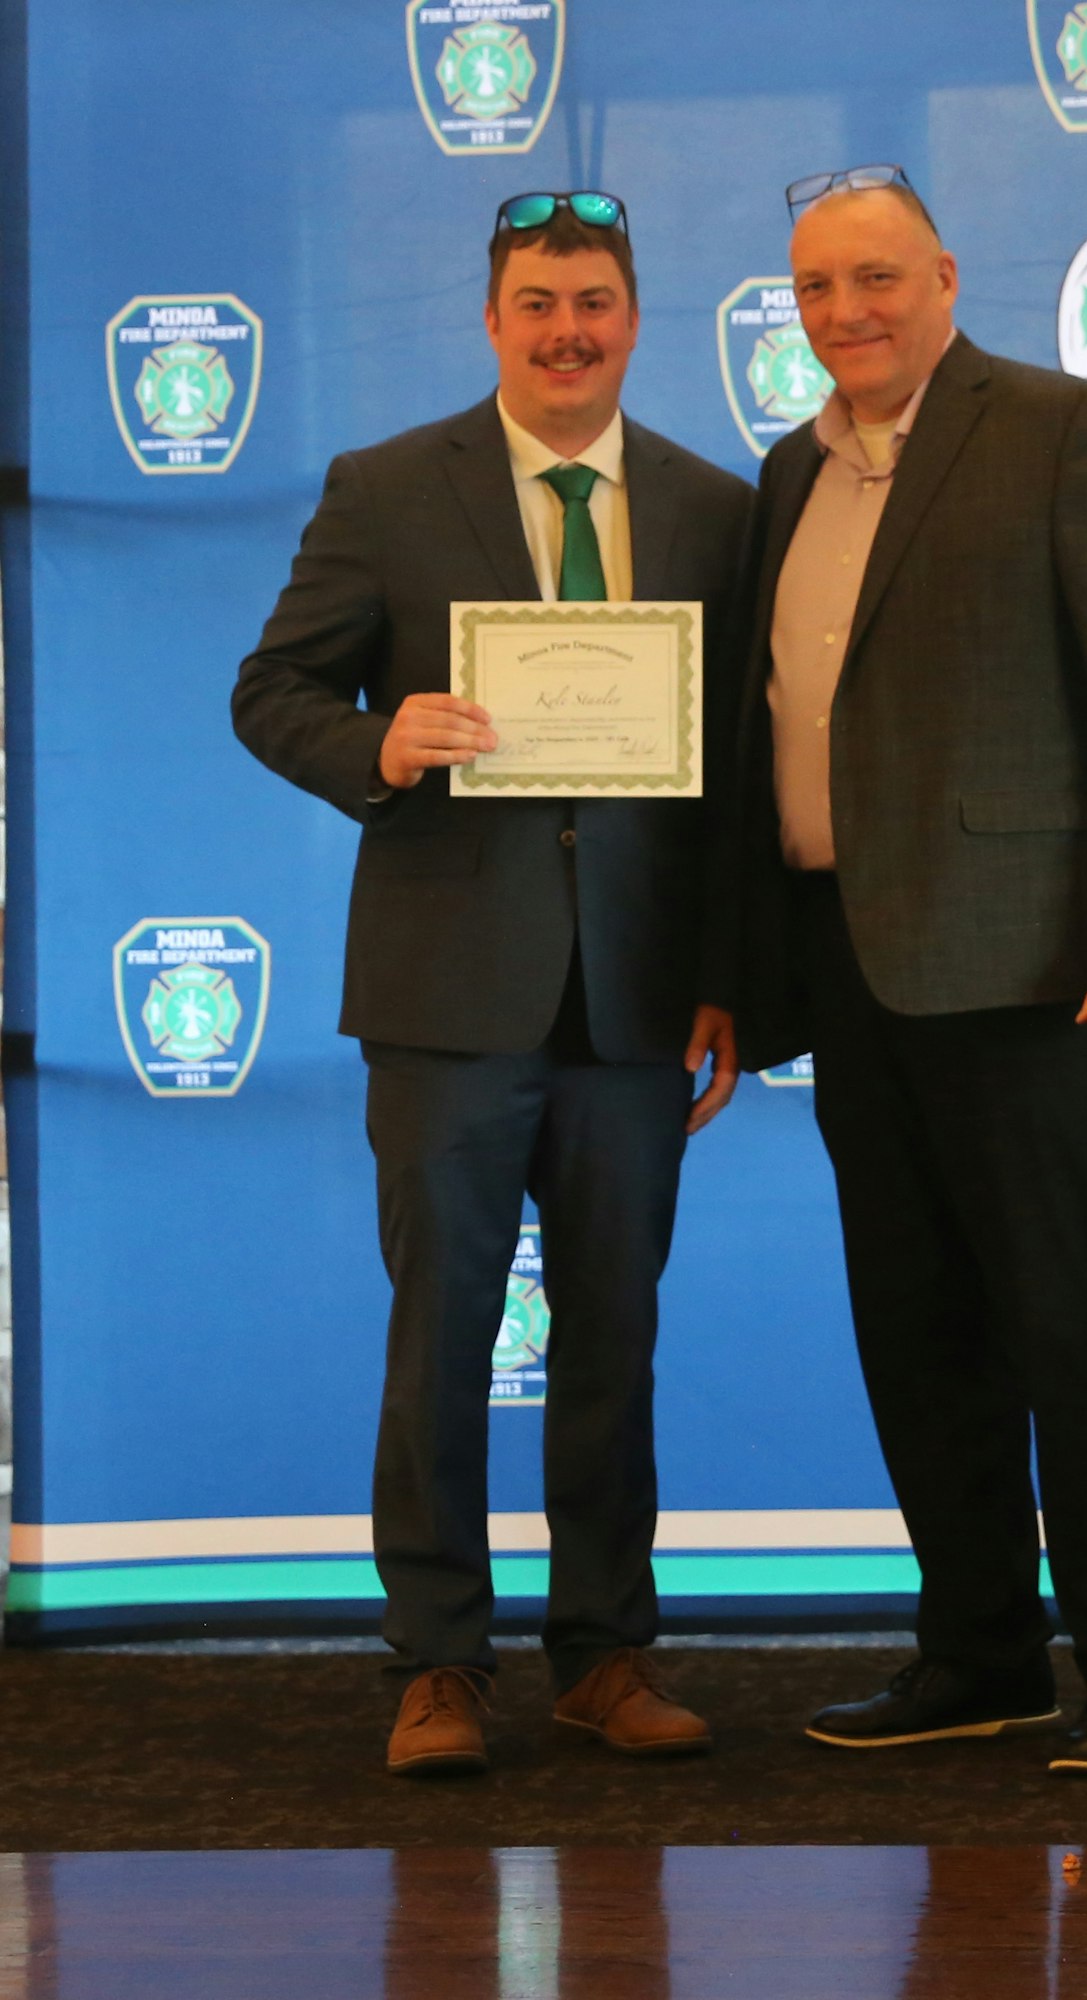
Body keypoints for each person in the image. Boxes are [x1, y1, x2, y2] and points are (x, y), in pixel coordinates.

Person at [233, 191, 750, 1774]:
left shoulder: (717, 508)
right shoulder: (386, 488)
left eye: (592, 300)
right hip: (448, 994)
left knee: (614, 1340)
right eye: (536, 303)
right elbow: (273, 691)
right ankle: (437, 1666)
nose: (566, 330)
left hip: (639, 1005)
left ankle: (604, 1656)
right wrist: (374, 744)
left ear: (632, 319)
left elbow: (736, 772)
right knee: (440, 1335)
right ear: (491, 321)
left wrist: (730, 979)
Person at [732, 167, 1087, 1774]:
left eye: (873, 277)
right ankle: (980, 1652)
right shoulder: (782, 475)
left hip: (1027, 967)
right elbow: (771, 739)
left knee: (1065, 1320)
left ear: (941, 273)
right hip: (845, 965)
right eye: (814, 288)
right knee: (914, 1325)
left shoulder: (1058, 428)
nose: (846, 313)